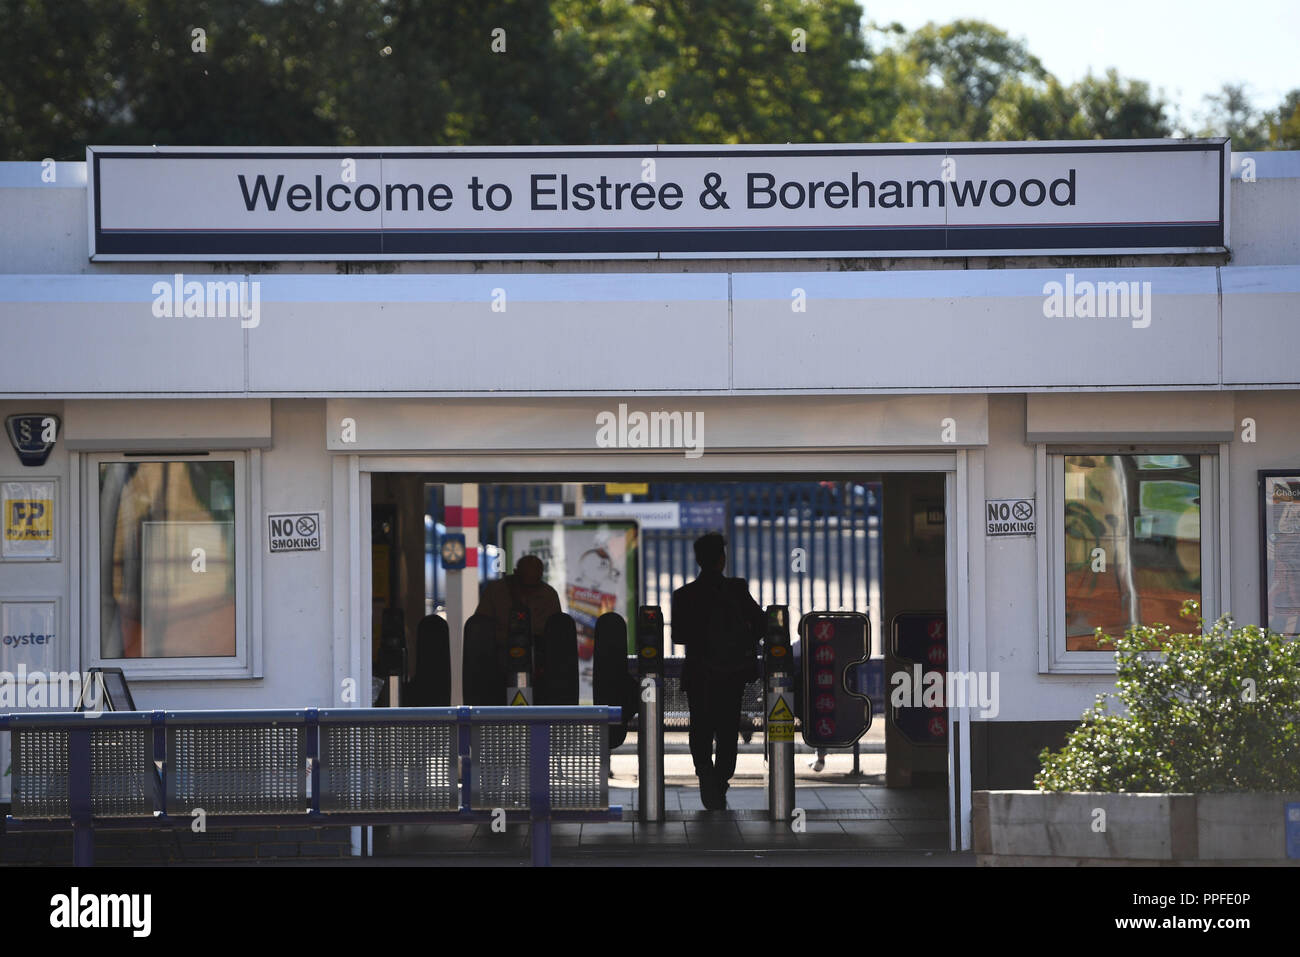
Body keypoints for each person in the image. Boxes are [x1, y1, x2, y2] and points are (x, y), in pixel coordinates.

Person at [671, 533, 765, 811]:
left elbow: (678, 635)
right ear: (722, 560)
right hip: (732, 674)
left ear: (698, 560)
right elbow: (761, 623)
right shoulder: (736, 589)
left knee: (700, 727)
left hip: (700, 674)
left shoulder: (684, 595)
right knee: (727, 729)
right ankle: (720, 780)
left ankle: (705, 774)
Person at [475, 555, 562, 673]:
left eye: (534, 586)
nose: (528, 591)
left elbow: (556, 635)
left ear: (541, 576)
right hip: (497, 663)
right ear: (515, 573)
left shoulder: (549, 595)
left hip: (538, 663)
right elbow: (480, 628)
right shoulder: (495, 591)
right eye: (524, 584)